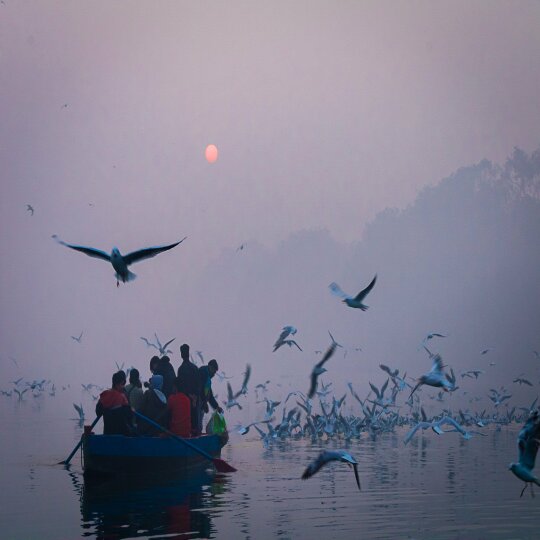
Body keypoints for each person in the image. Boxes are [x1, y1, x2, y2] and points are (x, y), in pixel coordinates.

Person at [95, 370, 134, 436]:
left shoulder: (104, 396)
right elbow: (129, 416)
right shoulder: (121, 397)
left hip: (107, 434)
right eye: (122, 384)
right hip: (121, 436)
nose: (123, 387)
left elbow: (98, 412)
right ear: (117, 384)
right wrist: (132, 410)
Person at [176, 343, 201, 435]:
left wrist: (189, 396)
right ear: (188, 353)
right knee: (195, 422)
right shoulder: (194, 368)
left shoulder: (181, 369)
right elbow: (199, 384)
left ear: (181, 354)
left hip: (185, 400)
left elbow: (180, 387)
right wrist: (195, 397)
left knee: (187, 421)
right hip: (194, 399)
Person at [198, 359, 223, 433]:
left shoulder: (208, 378)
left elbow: (210, 395)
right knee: (197, 423)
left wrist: (217, 407)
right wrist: (204, 403)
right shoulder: (203, 372)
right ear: (210, 367)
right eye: (214, 372)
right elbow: (200, 388)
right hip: (196, 403)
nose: (214, 374)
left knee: (199, 424)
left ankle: (198, 434)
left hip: (201, 404)